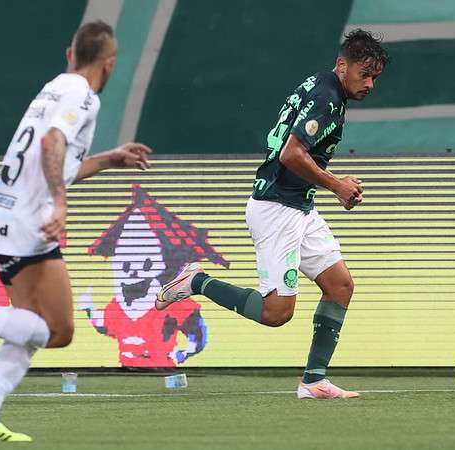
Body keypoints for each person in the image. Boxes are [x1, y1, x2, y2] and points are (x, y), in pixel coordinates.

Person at [0, 20, 152, 441]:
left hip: (1, 215)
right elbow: (50, 145)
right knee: (58, 331)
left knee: (26, 326)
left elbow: (56, 158)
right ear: (110, 64)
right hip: (28, 222)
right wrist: (60, 203)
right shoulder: (83, 95)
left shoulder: (55, 87)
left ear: (69, 54)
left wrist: (109, 159)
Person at [157, 29, 388, 399]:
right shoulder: (327, 97)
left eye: (375, 76)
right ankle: (196, 281)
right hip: (276, 209)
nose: (371, 84)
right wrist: (337, 185)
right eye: (365, 74)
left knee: (340, 285)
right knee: (276, 313)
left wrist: (325, 187)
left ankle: (313, 381)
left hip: (298, 205)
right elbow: (291, 154)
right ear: (343, 65)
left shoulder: (324, 86)